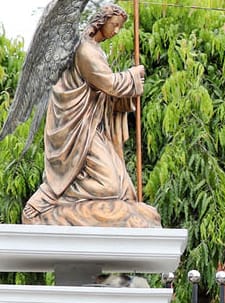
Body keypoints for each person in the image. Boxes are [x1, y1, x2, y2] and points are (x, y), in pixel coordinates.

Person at [24, 5, 160, 228]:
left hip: (91, 123)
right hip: (75, 125)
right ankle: (45, 200)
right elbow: (108, 84)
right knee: (109, 185)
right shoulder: (84, 50)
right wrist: (133, 76)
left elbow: (103, 89)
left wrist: (126, 85)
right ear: (101, 21)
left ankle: (67, 200)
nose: (116, 31)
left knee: (118, 181)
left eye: (120, 27)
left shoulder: (95, 49)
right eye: (114, 24)